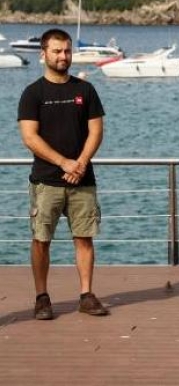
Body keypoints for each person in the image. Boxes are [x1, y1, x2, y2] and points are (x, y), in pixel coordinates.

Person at [17, 28, 109, 320]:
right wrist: (63, 163)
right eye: (57, 51)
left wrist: (80, 163)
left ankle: (86, 294)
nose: (63, 56)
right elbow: (30, 137)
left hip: (83, 179)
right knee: (41, 239)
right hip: (46, 181)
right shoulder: (33, 93)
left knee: (84, 237)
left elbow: (96, 130)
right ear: (43, 54)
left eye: (67, 51)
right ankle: (42, 297)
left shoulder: (85, 90)